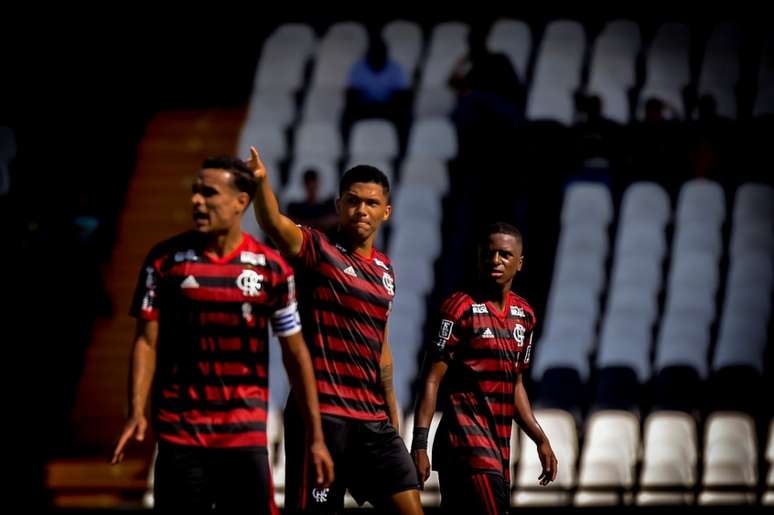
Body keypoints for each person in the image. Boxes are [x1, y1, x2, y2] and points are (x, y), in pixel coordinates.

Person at [110, 155, 333, 513]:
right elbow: (147, 340)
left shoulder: (271, 269)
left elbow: (296, 354)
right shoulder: (164, 260)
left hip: (243, 434)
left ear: (240, 202)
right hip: (181, 434)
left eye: (209, 193)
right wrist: (137, 411)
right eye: (195, 192)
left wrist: (316, 437)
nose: (197, 200)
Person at [248, 147, 423, 514]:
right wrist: (261, 185)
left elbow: (382, 348)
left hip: (373, 422)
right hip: (322, 417)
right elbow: (274, 224)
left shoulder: (387, 271)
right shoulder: (318, 249)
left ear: (386, 212)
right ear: (339, 204)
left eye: (372, 203)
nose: (362, 210)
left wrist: (391, 414)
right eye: (353, 201)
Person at [411, 223, 557, 515]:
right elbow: (431, 380)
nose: (495, 261)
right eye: (488, 254)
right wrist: (419, 444)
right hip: (464, 445)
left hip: (498, 450)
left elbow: (515, 385)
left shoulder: (524, 316)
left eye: (505, 255)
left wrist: (540, 438)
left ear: (520, 263)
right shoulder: (459, 309)